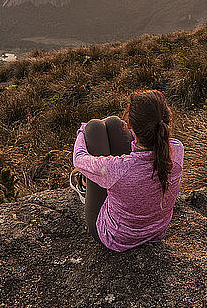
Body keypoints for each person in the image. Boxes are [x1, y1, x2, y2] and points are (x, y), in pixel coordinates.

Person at [69, 89, 184, 252]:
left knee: (94, 127)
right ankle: (89, 180)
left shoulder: (119, 169)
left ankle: (84, 185)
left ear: (130, 125)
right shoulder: (177, 150)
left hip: (117, 237)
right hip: (157, 231)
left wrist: (82, 129)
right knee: (113, 123)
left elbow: (79, 159)